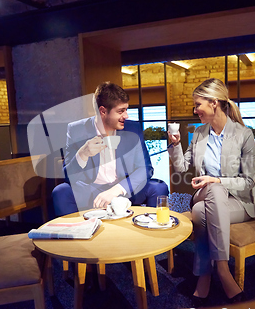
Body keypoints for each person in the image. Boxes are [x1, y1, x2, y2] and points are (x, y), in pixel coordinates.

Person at [168, 78, 255, 301]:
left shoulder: (243, 134)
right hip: (210, 194)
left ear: (213, 103)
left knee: (201, 212)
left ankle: (205, 273)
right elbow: (182, 167)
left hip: (241, 202)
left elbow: (248, 181)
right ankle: (223, 268)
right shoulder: (199, 133)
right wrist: (174, 144)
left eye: (198, 104)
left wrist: (217, 181)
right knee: (214, 191)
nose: (195, 110)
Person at [52, 82, 168, 215]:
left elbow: (145, 168)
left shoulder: (133, 129)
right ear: (103, 111)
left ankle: (151, 231)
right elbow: (68, 176)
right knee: (61, 192)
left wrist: (118, 189)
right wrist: (82, 154)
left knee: (158, 187)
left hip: (124, 189)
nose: (126, 116)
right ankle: (75, 233)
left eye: (126, 110)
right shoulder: (76, 130)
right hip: (92, 191)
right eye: (120, 111)